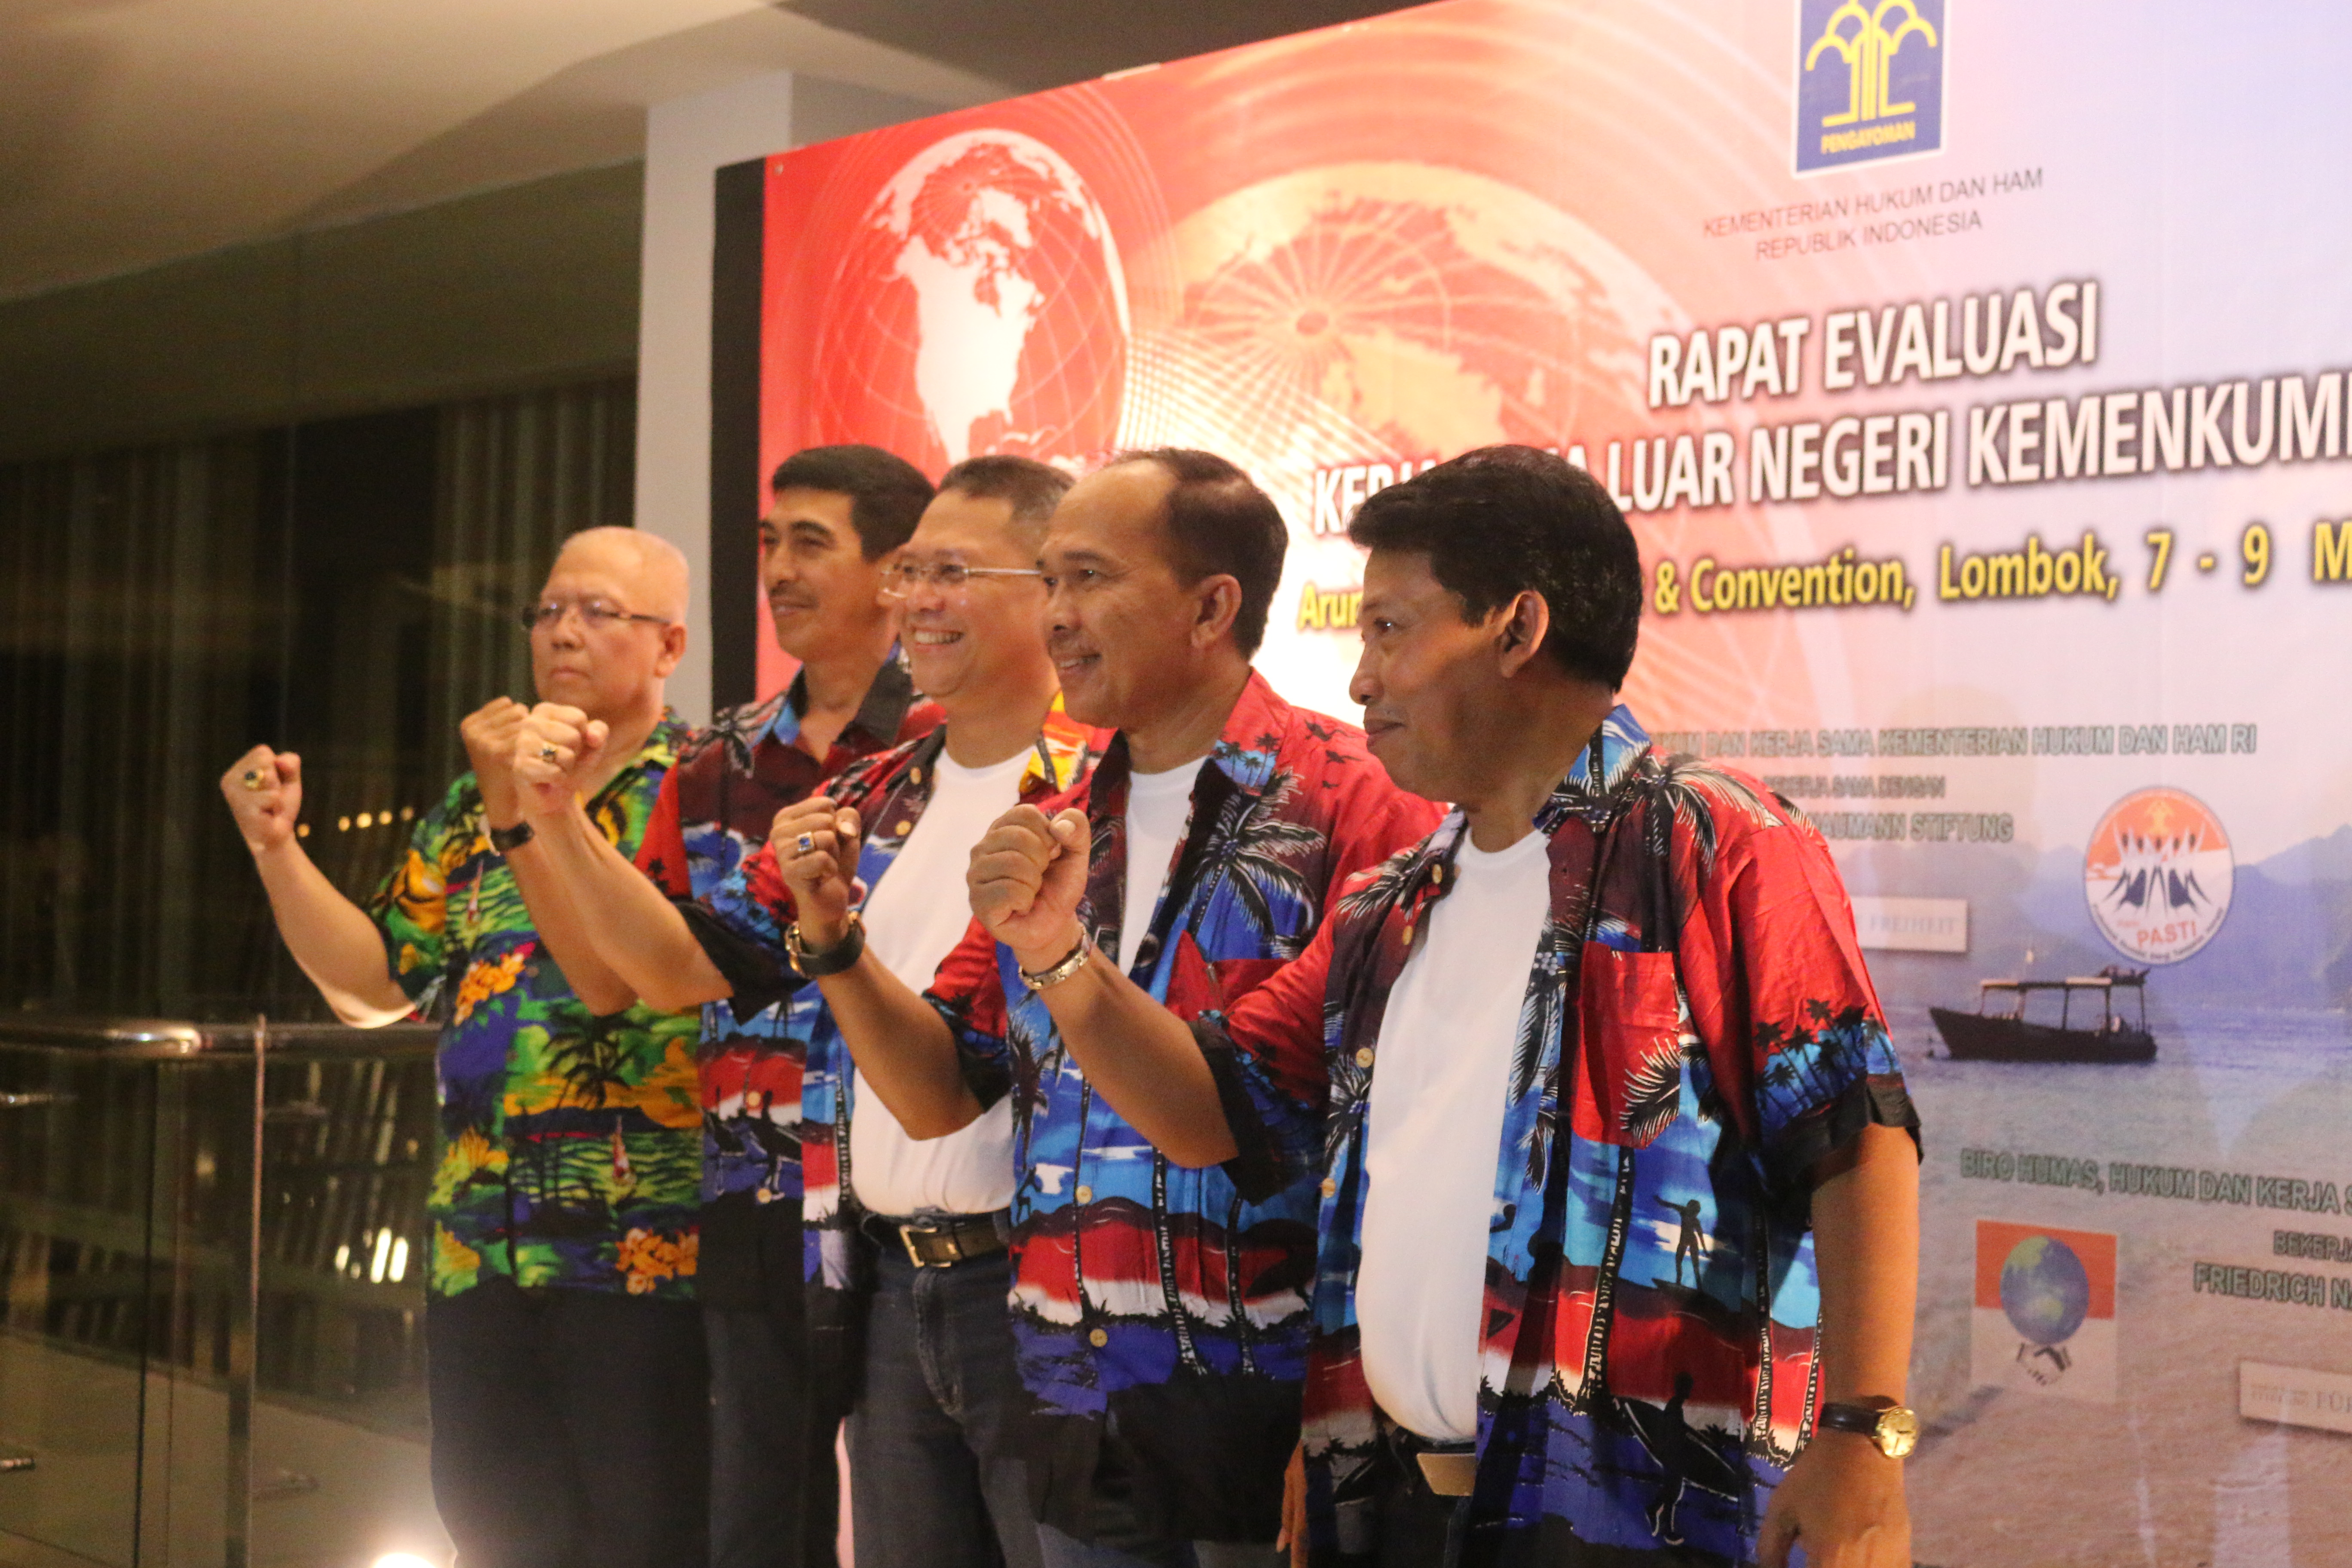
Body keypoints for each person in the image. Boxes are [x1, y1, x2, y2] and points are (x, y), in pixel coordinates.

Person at [929, 447, 1924, 1568]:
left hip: (1629, 1518)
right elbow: (1215, 1107)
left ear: (1515, 631)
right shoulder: (1392, 906)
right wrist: (1057, 953)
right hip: (1393, 1504)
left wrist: (1863, 1434)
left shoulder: (1710, 840)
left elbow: (1856, 1138)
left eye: (1392, 632)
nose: (1361, 680)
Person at [765, 450, 1445, 1568]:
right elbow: (944, 1089)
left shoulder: (1351, 800)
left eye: (1085, 580)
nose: (1060, 616)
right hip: (1069, 1401)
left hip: (1260, 1405)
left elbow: (1396, 1143)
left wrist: (1341, 1405)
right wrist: (835, 943)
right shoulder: (1056, 808)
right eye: (1051, 581)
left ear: (1211, 606)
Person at [514, 456, 1094, 1568]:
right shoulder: (881, 790)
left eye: (949, 571)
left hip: (1041, 1281)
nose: (916, 599)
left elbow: (943, 1086)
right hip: (866, 1254)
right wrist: (555, 816)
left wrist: (829, 944)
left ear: (1054, 590)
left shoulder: (1089, 788)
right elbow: (694, 963)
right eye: (914, 570)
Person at [218, 526, 709, 1568]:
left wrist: (529, 810)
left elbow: (619, 990)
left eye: (597, 613)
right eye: (547, 610)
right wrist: (277, 852)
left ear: (669, 648)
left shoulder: (702, 791)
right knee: (493, 1535)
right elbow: (371, 989)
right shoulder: (463, 811)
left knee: (647, 1536)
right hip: (476, 1242)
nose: (563, 632)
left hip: (645, 1253)